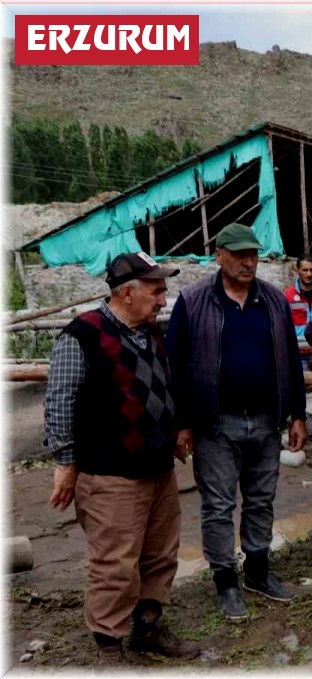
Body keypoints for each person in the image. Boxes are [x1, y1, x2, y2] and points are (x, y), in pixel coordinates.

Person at [44, 252, 199, 665]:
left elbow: (164, 387)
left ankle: (147, 628)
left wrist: (177, 428)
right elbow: (59, 400)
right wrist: (65, 461)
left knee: (160, 554)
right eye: (156, 291)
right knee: (114, 563)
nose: (163, 300)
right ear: (127, 293)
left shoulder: (148, 332)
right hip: (110, 474)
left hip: (157, 469)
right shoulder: (82, 335)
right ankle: (109, 648)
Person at [167, 223, 308, 619]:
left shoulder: (274, 301)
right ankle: (225, 581)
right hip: (216, 423)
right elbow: (175, 367)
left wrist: (298, 414)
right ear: (219, 255)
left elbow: (292, 363)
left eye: (253, 254)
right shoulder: (193, 302)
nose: (249, 262)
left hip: (266, 420)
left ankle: (258, 571)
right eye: (240, 254)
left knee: (262, 498)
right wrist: (182, 424)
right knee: (218, 504)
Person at [283, 254, 312, 373]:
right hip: (299, 353)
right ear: (297, 270)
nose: (309, 274)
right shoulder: (287, 296)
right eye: (305, 270)